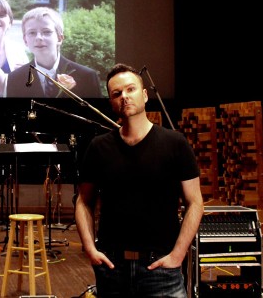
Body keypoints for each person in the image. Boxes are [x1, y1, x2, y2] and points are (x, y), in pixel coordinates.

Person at [74, 63, 204, 297]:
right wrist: (89, 248)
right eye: (116, 93)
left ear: (144, 95)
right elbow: (84, 201)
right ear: (112, 103)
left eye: (130, 89)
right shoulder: (98, 147)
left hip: (162, 269)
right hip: (112, 268)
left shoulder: (175, 144)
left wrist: (178, 254)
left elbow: (195, 202)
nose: (124, 96)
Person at [6, 7, 103, 98]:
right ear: (25, 40)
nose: (39, 37)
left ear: (60, 38)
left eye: (47, 31)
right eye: (32, 33)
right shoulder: (15, 79)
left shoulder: (87, 77)